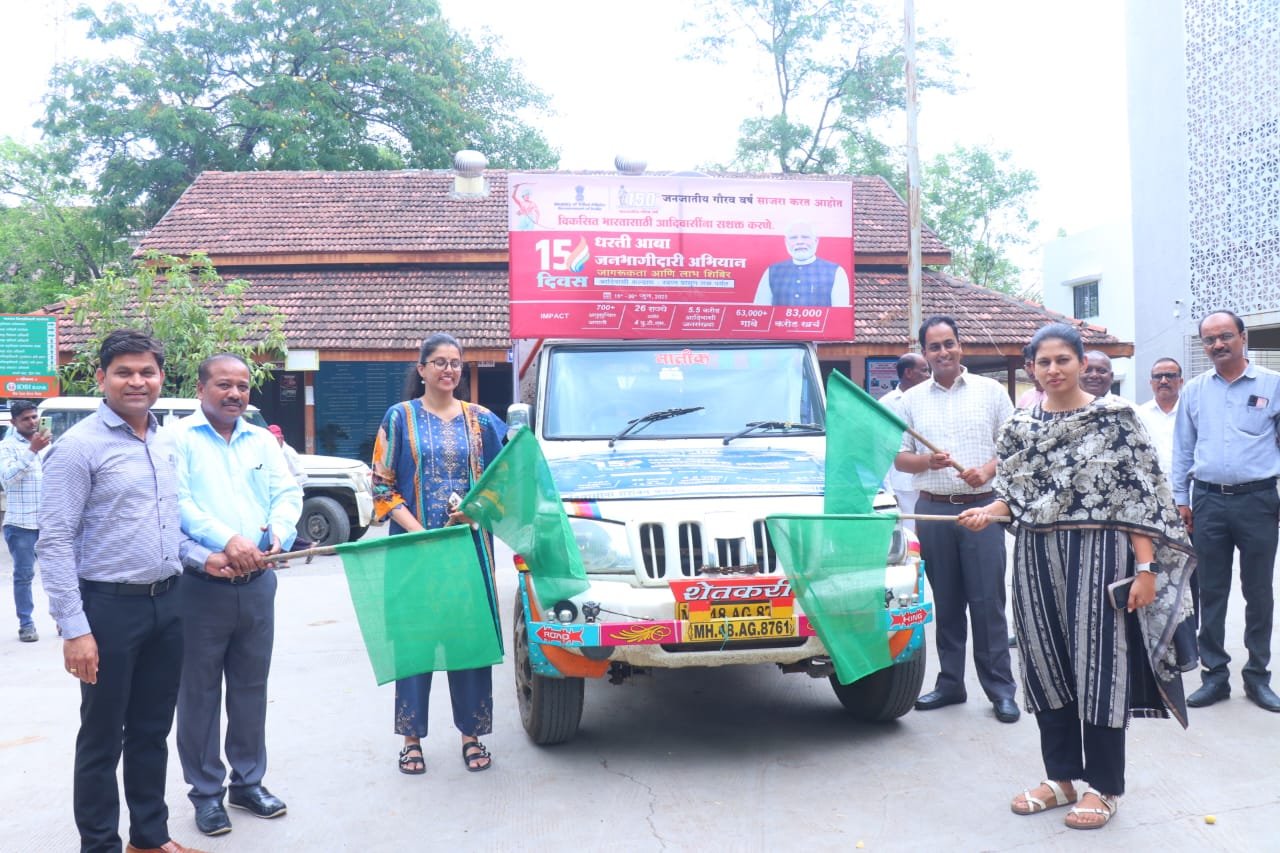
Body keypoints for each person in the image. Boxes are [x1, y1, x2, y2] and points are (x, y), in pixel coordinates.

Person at [957, 322, 1195, 830]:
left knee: (1099, 667)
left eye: (1062, 359)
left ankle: (1105, 786)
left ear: (1082, 362)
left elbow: (1140, 500)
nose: (1053, 369)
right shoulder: (1022, 426)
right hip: (1036, 558)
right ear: (1031, 370)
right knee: (1045, 664)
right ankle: (1061, 777)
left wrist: (1147, 569)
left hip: (1101, 553)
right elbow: (1017, 496)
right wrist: (990, 511)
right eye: (1043, 362)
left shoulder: (1115, 419)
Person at [37, 329, 209, 853]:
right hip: (108, 610)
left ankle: (149, 840)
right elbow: (55, 540)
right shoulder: (78, 447)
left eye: (147, 372)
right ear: (101, 378)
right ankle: (101, 846)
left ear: (161, 377)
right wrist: (75, 629)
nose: (137, 381)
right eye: (124, 372)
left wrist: (209, 559)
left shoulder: (163, 440)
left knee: (152, 731)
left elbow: (170, 529)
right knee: (101, 737)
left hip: (167, 604)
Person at [169, 355, 303, 837]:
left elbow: (288, 491)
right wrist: (228, 540)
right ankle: (206, 794)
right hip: (201, 586)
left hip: (258, 583)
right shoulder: (177, 440)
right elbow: (179, 504)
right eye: (223, 384)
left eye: (242, 387)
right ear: (201, 387)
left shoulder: (262, 439)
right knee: (199, 695)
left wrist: (278, 535)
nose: (234, 394)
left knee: (250, 690)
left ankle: (249, 783)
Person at [371, 333, 506, 774]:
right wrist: (419, 532)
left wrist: (477, 512)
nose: (449, 370)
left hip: (469, 553)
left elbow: (504, 481)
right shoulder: (399, 418)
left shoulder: (483, 421)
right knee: (416, 642)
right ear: (422, 368)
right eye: (440, 362)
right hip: (414, 553)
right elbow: (381, 486)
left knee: (468, 642)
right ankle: (412, 739)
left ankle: (472, 735)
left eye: (456, 363)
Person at [893, 315, 1020, 723]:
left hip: (983, 507)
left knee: (987, 603)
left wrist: (986, 471)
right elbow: (900, 459)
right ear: (924, 353)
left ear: (961, 346)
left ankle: (1001, 689)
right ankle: (950, 683)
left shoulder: (991, 391)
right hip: (932, 510)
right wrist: (927, 460)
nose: (943, 352)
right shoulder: (911, 400)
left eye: (949, 343)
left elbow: (1017, 447)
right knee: (945, 600)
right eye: (934, 347)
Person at [1172, 310, 1280, 713]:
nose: (1218, 344)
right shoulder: (1195, 391)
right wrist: (1182, 499)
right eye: (1210, 339)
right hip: (1209, 502)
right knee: (1211, 590)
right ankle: (1214, 676)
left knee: (1258, 591)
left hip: (1259, 500)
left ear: (1243, 337)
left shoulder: (1273, 385)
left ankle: (1257, 677)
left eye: (1225, 336)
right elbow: (1183, 449)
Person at [1, 399, 49, 642]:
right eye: (26, 419)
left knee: (58, 574)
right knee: (24, 576)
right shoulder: (6, 447)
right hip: (21, 525)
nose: (32, 422)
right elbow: (7, 479)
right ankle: (26, 624)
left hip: (49, 523)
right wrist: (32, 451)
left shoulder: (49, 443)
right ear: (14, 422)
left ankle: (64, 620)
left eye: (34, 417)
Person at [880, 353, 930, 532]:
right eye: (924, 370)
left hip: (932, 480)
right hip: (903, 484)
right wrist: (888, 488)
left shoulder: (929, 399)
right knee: (910, 534)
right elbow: (881, 449)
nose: (928, 375)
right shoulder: (887, 404)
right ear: (908, 372)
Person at [752, 222, 851, 307]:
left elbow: (839, 315)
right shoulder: (772, 271)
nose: (799, 242)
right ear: (786, 242)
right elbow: (760, 312)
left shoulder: (836, 272)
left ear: (816, 241)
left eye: (805, 237)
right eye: (794, 238)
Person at [1136, 358, 1183, 476]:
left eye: (1169, 376)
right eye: (1158, 376)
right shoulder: (1139, 414)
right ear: (1151, 382)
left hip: (1188, 488)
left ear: (1181, 381)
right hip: (1152, 487)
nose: (1163, 381)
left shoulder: (1192, 413)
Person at [1015, 345, 1046, 409]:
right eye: (1028, 365)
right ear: (1024, 368)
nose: (1033, 369)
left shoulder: (1056, 396)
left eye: (1037, 364)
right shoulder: (1025, 397)